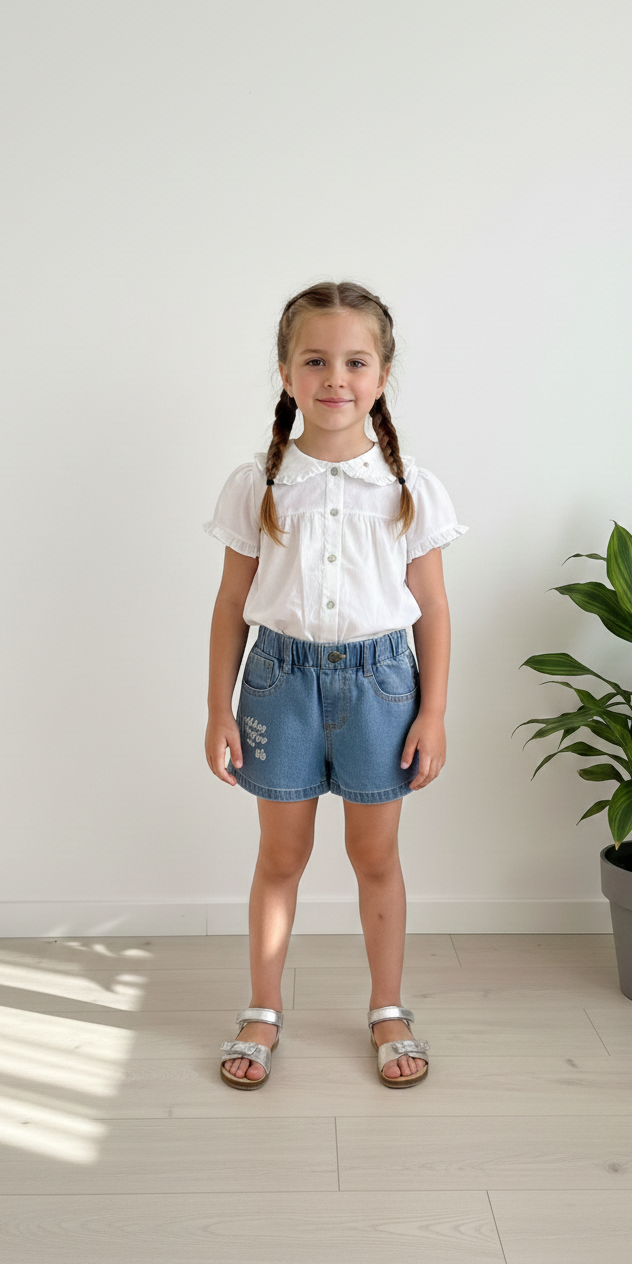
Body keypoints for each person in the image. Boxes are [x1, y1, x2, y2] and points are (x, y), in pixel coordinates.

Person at [203, 281, 466, 1090]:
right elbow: (231, 603)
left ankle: (388, 1009)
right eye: (315, 360)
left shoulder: (409, 487)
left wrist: (432, 712)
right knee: (280, 855)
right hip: (277, 683)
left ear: (382, 376)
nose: (335, 378)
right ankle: (263, 1008)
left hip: (381, 687)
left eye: (355, 361)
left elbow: (432, 606)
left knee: (374, 856)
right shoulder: (259, 483)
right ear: (286, 372)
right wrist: (218, 707)